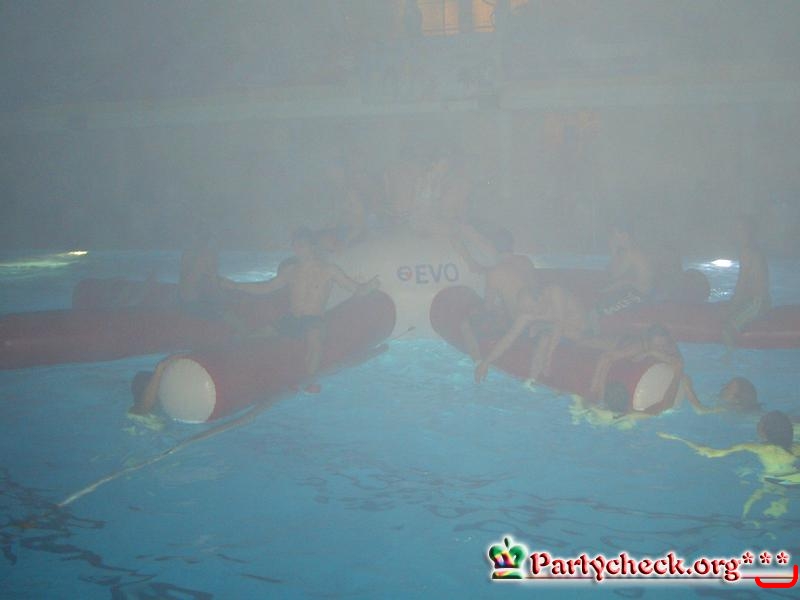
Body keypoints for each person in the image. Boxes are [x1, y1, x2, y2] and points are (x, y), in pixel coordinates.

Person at [222, 227, 379, 392]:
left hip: (314, 319)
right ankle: (235, 364)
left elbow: (355, 288)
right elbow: (267, 287)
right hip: (293, 318)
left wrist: (369, 286)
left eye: (301, 245)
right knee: (257, 335)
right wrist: (237, 286)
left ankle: (310, 381)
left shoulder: (329, 270)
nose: (297, 249)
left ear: (312, 246)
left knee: (315, 339)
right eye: (295, 245)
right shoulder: (291, 271)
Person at [659, 411, 800, 519]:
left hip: (771, 481)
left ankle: (745, 519)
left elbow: (713, 453)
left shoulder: (757, 447)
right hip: (795, 479)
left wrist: (678, 438)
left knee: (749, 506)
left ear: (762, 431)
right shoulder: (796, 447)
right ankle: (780, 506)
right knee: (783, 496)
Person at [474, 284, 587, 384]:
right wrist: (486, 362)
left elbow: (559, 324)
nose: (530, 312)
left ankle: (534, 378)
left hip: (581, 328)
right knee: (539, 334)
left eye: (531, 308)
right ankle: (532, 381)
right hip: (557, 326)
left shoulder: (555, 292)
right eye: (526, 310)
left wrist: (548, 359)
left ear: (540, 298)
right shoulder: (529, 312)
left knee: (544, 338)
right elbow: (508, 338)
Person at [588, 324, 710, 415]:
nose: (662, 349)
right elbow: (606, 358)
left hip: (645, 351)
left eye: (664, 345)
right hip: (619, 342)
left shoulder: (670, 347)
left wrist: (653, 352)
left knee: (685, 378)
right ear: (647, 342)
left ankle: (698, 407)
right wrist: (596, 387)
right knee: (588, 342)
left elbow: (679, 365)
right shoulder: (637, 347)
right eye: (657, 346)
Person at [458, 228, 537, 361]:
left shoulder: (494, 273)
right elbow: (534, 289)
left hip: (519, 324)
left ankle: (477, 361)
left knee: (465, 325)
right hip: (537, 317)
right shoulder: (526, 261)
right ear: (512, 244)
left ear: (493, 247)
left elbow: (488, 307)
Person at [722, 216, 771, 347]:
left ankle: (729, 356)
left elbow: (742, 283)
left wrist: (733, 305)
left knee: (728, 328)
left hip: (757, 303)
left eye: (740, 230)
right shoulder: (754, 250)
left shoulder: (747, 252)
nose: (736, 233)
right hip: (757, 301)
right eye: (735, 229)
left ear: (749, 232)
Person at [592, 224, 655, 320]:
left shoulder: (631, 253)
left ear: (625, 235)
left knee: (596, 313)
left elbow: (614, 276)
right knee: (597, 304)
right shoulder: (626, 252)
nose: (610, 238)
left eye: (613, 234)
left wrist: (613, 251)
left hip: (640, 296)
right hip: (632, 292)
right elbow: (614, 277)